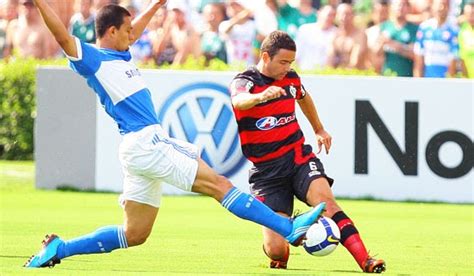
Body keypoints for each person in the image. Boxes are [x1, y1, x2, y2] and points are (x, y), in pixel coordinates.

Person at [24, 0, 326, 268]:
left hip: (137, 148)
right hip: (146, 143)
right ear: (112, 31)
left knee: (134, 234)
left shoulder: (122, 56)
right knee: (219, 184)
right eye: (128, 29)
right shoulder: (93, 59)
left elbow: (136, 29)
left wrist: (156, 6)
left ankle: (59, 248)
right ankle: (289, 228)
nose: (135, 34)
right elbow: (63, 36)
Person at [229, 30, 386, 273]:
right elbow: (239, 101)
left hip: (298, 159)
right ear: (265, 56)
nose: (287, 68)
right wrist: (260, 97)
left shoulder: (290, 78)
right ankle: (287, 237)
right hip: (267, 174)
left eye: (290, 62)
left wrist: (319, 129)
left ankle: (366, 260)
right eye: (282, 62)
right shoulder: (246, 81)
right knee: (277, 251)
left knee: (327, 204)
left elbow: (303, 96)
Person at [414, 0, 460, 77]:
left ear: (449, 8)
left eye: (445, 5)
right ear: (432, 6)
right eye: (439, 4)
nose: (441, 8)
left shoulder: (454, 30)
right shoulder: (424, 27)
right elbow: (419, 57)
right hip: (427, 77)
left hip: (444, 78)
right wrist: (418, 80)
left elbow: (453, 59)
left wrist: (449, 82)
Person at [377, 0, 418, 77]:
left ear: (409, 9)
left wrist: (392, 44)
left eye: (403, 5)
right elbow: (378, 53)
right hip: (387, 76)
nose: (400, 8)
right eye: (397, 5)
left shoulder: (414, 29)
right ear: (391, 7)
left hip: (407, 77)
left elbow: (415, 54)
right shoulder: (385, 26)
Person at [295, 5, 337, 70]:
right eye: (328, 14)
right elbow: (296, 53)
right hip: (304, 72)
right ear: (319, 13)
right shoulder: (304, 29)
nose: (329, 18)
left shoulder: (337, 33)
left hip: (326, 75)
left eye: (333, 15)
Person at [327, 3, 368, 70]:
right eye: (340, 14)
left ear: (353, 16)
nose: (343, 17)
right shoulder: (334, 35)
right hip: (338, 75)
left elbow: (354, 62)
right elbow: (329, 60)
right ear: (336, 16)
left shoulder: (360, 35)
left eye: (347, 14)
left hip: (356, 76)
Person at [459, 0, 474, 78]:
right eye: (469, 14)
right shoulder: (462, 30)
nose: (472, 17)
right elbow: (462, 58)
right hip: (467, 79)